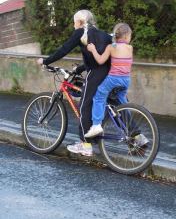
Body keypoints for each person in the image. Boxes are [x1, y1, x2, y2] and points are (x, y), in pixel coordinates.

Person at [37, 10, 112, 156]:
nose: (73, 24)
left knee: (84, 104)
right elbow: (97, 58)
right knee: (113, 103)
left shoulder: (81, 33)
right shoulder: (102, 34)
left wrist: (45, 61)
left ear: (81, 22)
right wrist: (80, 68)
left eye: (74, 21)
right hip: (109, 72)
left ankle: (85, 145)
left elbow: (64, 49)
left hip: (96, 73)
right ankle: (136, 135)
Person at [84, 23, 133, 138]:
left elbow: (100, 61)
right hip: (126, 80)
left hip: (113, 79)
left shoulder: (111, 47)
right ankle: (129, 124)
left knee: (99, 97)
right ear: (126, 36)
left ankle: (96, 125)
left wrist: (93, 49)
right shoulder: (130, 48)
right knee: (122, 101)